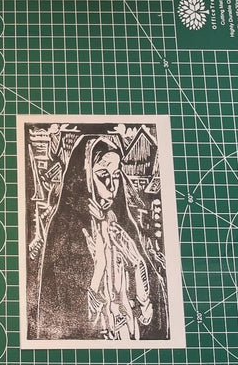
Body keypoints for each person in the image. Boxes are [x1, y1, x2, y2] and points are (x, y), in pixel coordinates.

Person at [31, 134, 168, 342]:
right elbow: (65, 317)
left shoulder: (122, 226)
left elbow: (152, 314)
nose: (112, 184)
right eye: (103, 173)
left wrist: (137, 264)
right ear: (84, 176)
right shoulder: (66, 229)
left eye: (115, 175)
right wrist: (100, 266)